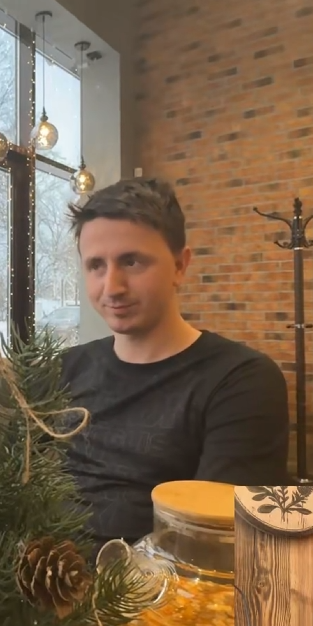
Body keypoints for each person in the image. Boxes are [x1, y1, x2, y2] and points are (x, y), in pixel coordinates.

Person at [60, 177, 290, 546]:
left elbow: (215, 545)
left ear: (180, 266)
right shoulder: (65, 369)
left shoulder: (240, 382)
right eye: (96, 266)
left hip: (151, 580)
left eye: (131, 261)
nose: (112, 287)